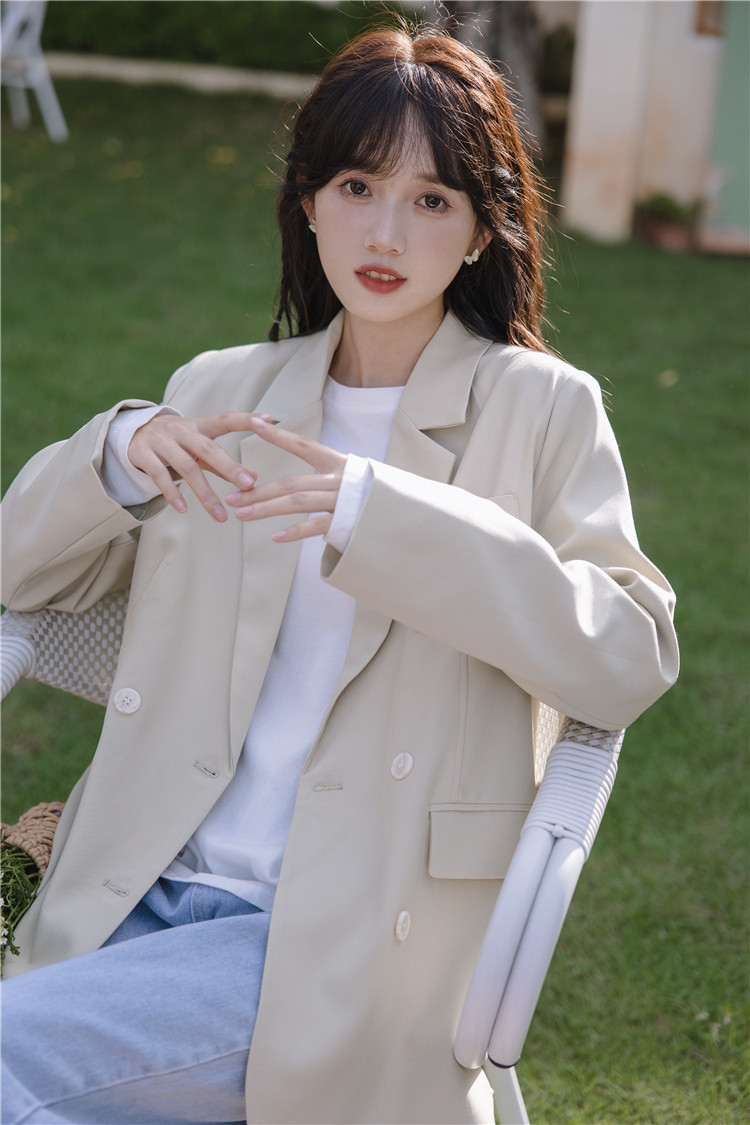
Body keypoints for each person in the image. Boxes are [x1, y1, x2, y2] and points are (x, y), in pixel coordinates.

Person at [0, 21, 679, 1125]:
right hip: (136, 893)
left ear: (481, 231)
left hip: (336, 940)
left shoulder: (541, 409)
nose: (385, 232)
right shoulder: (223, 390)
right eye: (358, 186)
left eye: (432, 200)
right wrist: (114, 455)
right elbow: (20, 574)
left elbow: (628, 657)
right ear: (307, 200)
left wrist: (390, 520)